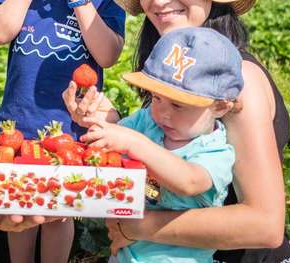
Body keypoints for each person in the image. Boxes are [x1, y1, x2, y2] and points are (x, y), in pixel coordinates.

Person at [64, 0, 290, 262]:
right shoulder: (174, 68)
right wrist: (108, 122)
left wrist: (139, 226)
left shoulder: (240, 82)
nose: (158, 0)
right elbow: (164, 148)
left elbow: (264, 225)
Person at [0, 0, 126, 263]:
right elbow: (1, 31)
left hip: (69, 125)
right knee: (16, 204)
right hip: (17, 120)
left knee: (56, 212)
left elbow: (108, 55)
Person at [82, 26, 243, 262]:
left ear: (219, 107)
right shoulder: (148, 121)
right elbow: (115, 137)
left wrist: (135, 144)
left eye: (178, 105)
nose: (163, 113)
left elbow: (189, 181)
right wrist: (96, 118)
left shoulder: (214, 151)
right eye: (156, 97)